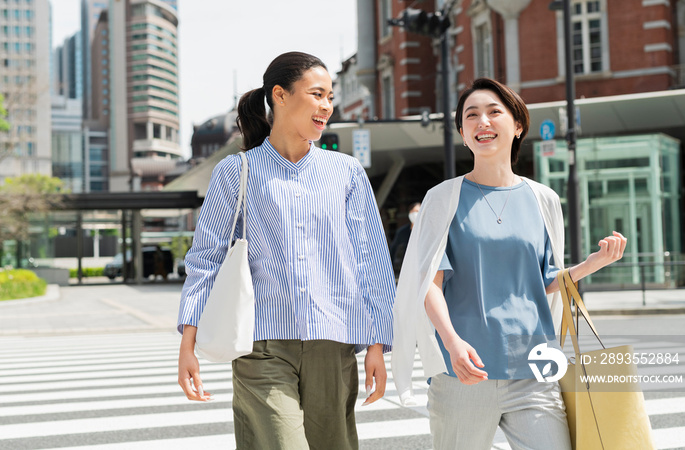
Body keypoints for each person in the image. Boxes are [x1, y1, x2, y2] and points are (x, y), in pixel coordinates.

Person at [391, 78, 627, 450]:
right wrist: (453, 345)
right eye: (471, 116)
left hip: (534, 369)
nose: (482, 122)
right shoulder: (443, 198)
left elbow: (545, 279)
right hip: (465, 373)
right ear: (463, 133)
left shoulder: (542, 198)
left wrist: (592, 264)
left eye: (493, 112)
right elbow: (429, 285)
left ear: (517, 126)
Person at [176, 52, 395, 450]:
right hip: (262, 347)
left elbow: (372, 262)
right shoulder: (236, 171)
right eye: (317, 94)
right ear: (280, 95)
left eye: (330, 97)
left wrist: (378, 342)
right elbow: (205, 258)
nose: (327, 106)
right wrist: (188, 341)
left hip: (333, 341)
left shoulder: (346, 172)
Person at [389, 201, 421, 276]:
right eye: (413, 211)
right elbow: (393, 251)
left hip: (421, 270)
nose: (415, 214)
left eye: (418, 211)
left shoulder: (427, 231)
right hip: (404, 271)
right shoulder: (402, 232)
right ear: (409, 213)